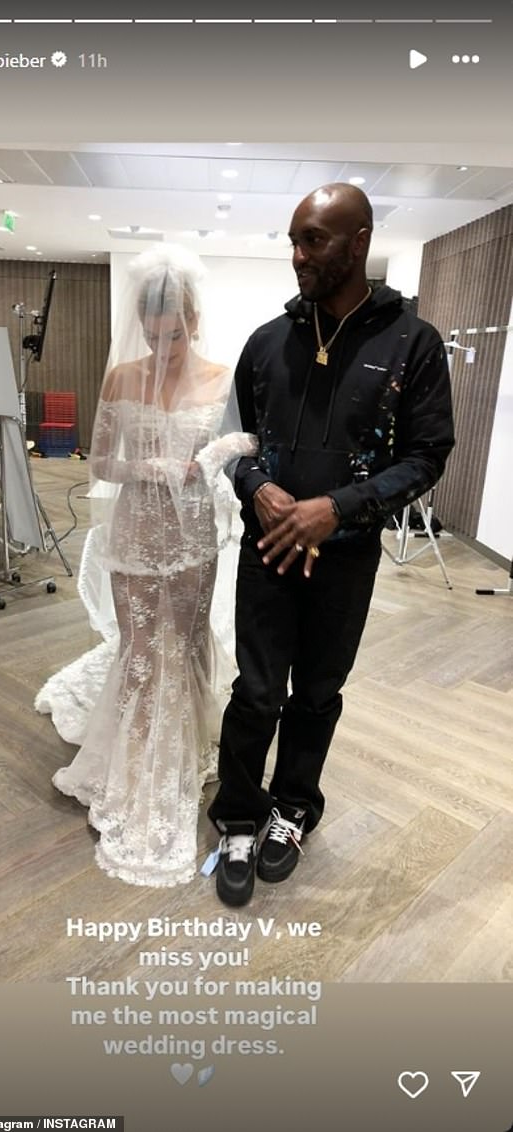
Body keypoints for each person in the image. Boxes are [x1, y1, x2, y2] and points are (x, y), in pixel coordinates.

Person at [208, 182, 455, 907]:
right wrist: (256, 485)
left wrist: (338, 508)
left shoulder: (412, 343)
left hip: (346, 558)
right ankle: (238, 815)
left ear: (359, 242)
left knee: (317, 693)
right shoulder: (266, 342)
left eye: (313, 240)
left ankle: (293, 808)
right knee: (256, 692)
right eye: (293, 240)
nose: (298, 255)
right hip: (267, 550)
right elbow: (234, 444)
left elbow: (428, 454)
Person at [36, 245, 256, 886]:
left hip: (192, 535)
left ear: (194, 320)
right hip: (134, 531)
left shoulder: (222, 377)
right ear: (140, 326)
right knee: (138, 650)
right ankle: (136, 759)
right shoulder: (121, 377)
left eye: (175, 336)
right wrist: (146, 466)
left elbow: (248, 442)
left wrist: (212, 454)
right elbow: (100, 460)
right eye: (154, 337)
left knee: (181, 644)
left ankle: (181, 748)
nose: (163, 349)